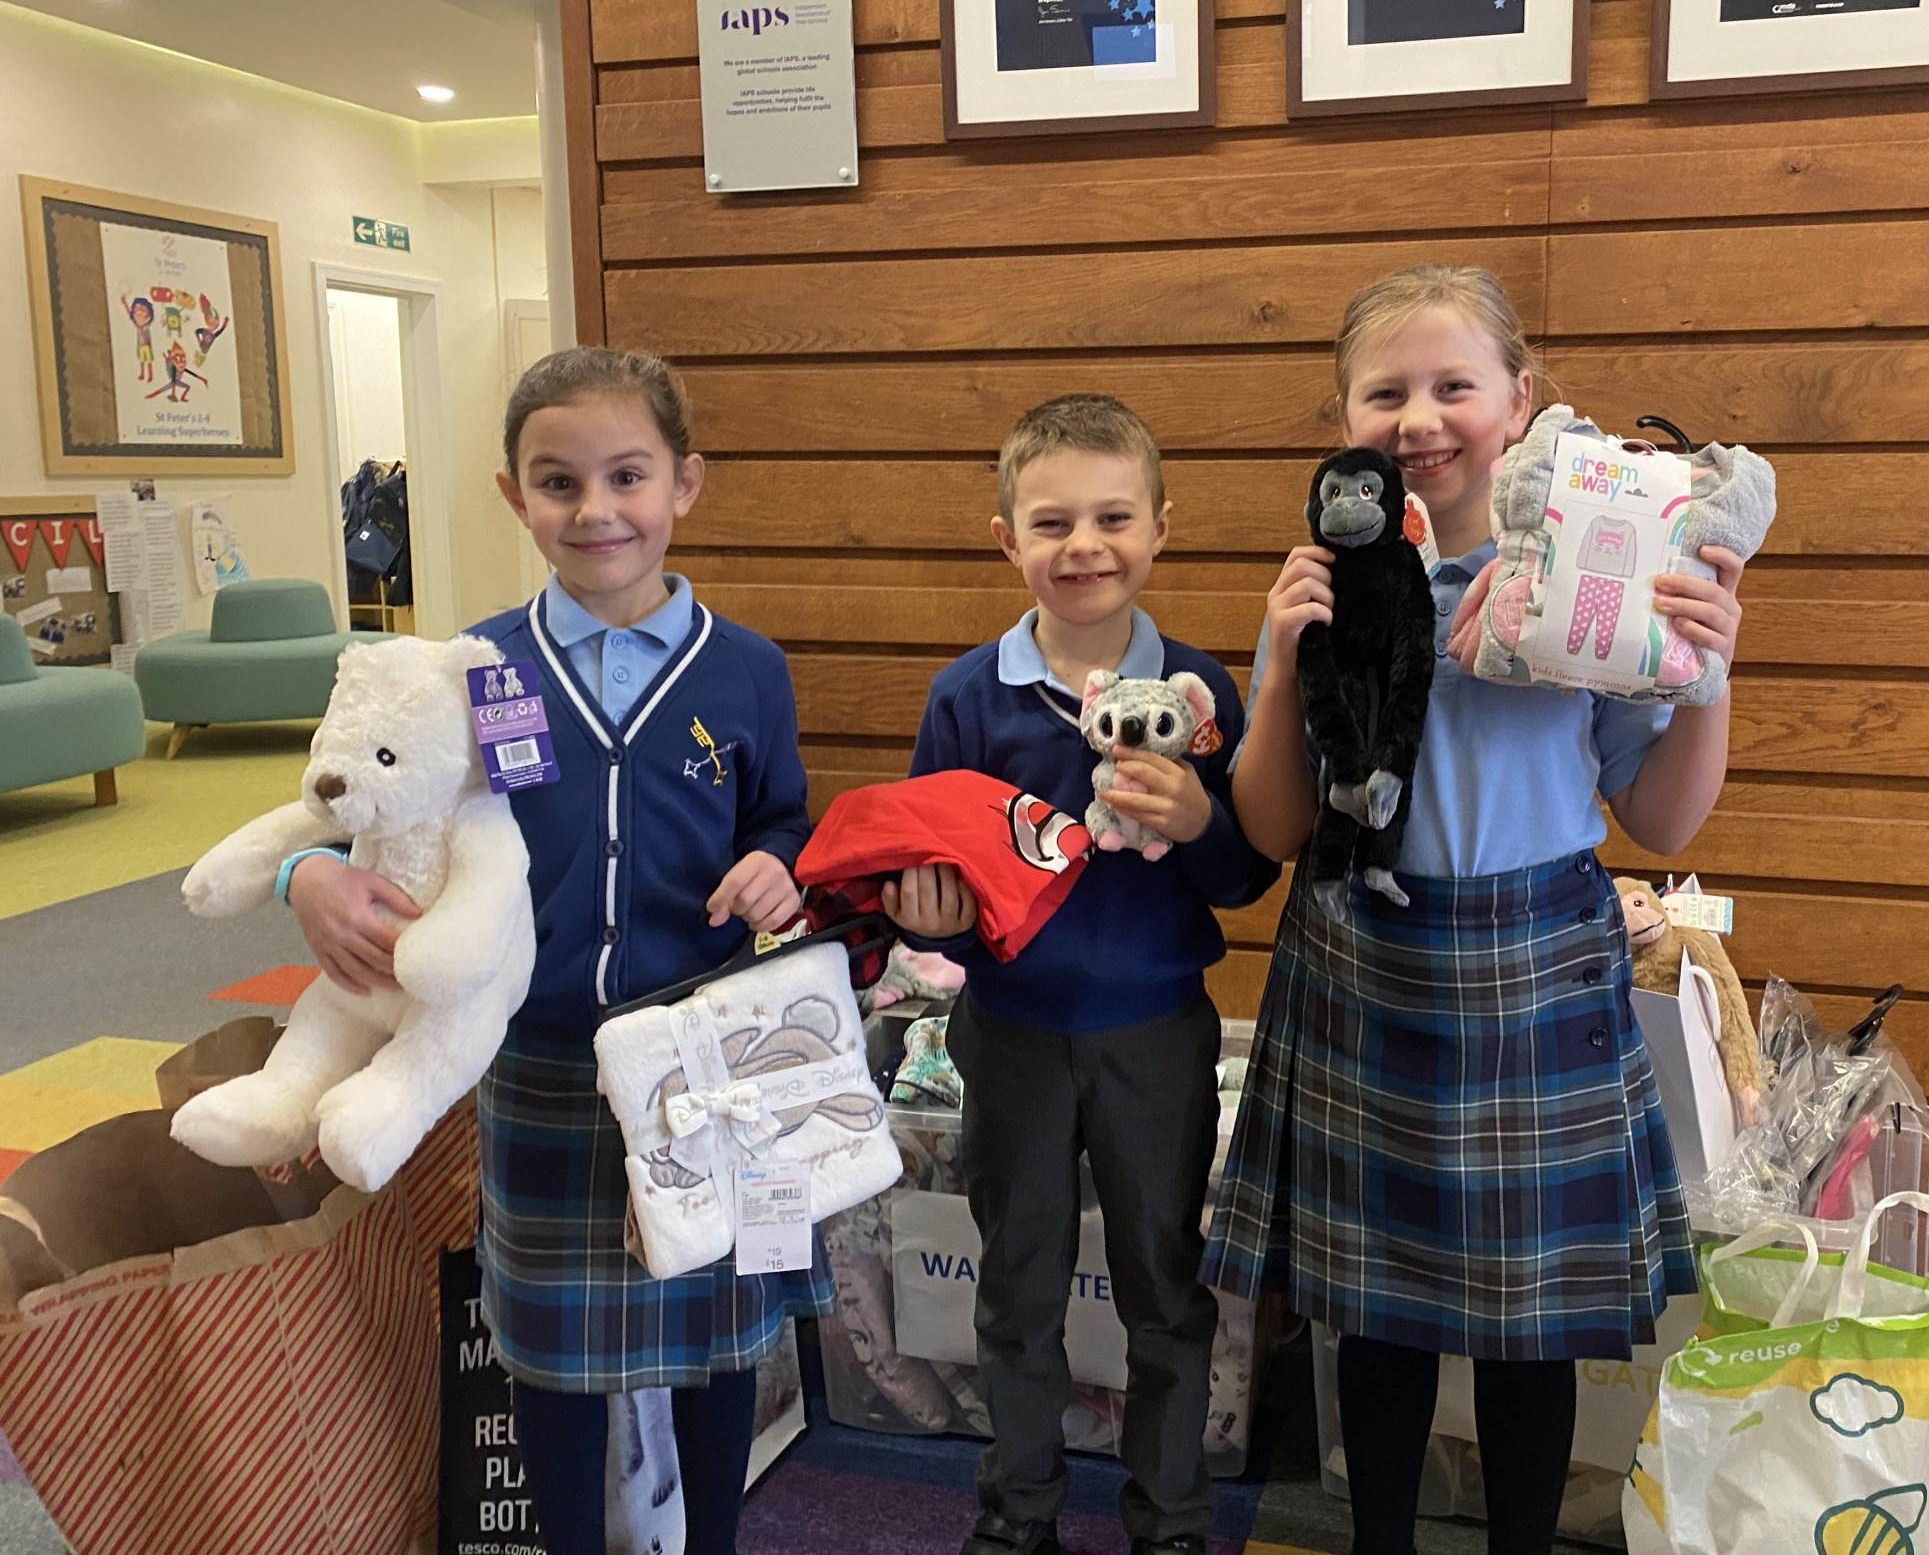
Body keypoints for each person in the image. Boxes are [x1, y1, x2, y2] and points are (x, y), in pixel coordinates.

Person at [1203, 264, 1746, 1555]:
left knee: (1529, 1327)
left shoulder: (1592, 570)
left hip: (1534, 968)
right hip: (1360, 958)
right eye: (1384, 392)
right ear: (1343, 416)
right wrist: (1277, 664)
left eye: (1455, 384)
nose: (1419, 417)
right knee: (1373, 1314)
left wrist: (1709, 672)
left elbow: (1662, 822)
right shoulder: (1328, 581)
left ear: (1520, 400)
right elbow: (1271, 828)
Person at [282, 346, 822, 1555]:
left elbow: (782, 819)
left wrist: (779, 862)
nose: (596, 511)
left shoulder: (747, 670)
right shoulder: (464, 673)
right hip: (537, 1060)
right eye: (558, 482)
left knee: (717, 1339)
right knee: (553, 1355)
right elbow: (348, 807)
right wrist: (301, 875)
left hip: (704, 1067)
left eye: (627, 476)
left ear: (684, 483)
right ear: (510, 494)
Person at [887, 394, 1278, 1555]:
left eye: (1112, 517)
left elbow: (1241, 877)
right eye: (1050, 522)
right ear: (1005, 537)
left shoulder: (1199, 695)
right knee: (1016, 1287)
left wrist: (1200, 819)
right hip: (1009, 1034)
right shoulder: (966, 697)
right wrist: (933, 925)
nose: (1083, 546)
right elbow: (939, 884)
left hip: (1155, 1037)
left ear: (1160, 527)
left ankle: (1172, 1522)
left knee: (1163, 1285)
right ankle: (1017, 1518)